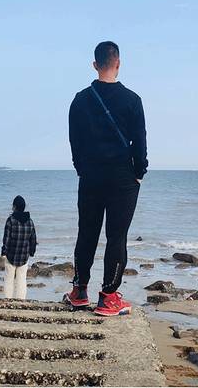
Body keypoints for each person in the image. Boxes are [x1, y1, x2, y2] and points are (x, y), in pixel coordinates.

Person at [65, 41, 148, 316]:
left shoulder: (80, 100)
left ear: (95, 64)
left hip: (90, 176)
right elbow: (140, 143)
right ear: (118, 63)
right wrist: (139, 173)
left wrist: (81, 168)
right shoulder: (132, 100)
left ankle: (80, 290)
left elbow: (74, 141)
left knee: (87, 233)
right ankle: (109, 297)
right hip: (122, 178)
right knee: (117, 237)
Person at [1, 195, 37, 300]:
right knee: (22, 279)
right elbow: (33, 239)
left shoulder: (10, 220)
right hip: (24, 255)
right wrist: (32, 252)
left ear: (15, 207)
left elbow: (6, 238)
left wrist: (4, 252)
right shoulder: (30, 221)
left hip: (11, 255)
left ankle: (8, 299)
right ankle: (20, 300)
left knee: (8, 278)